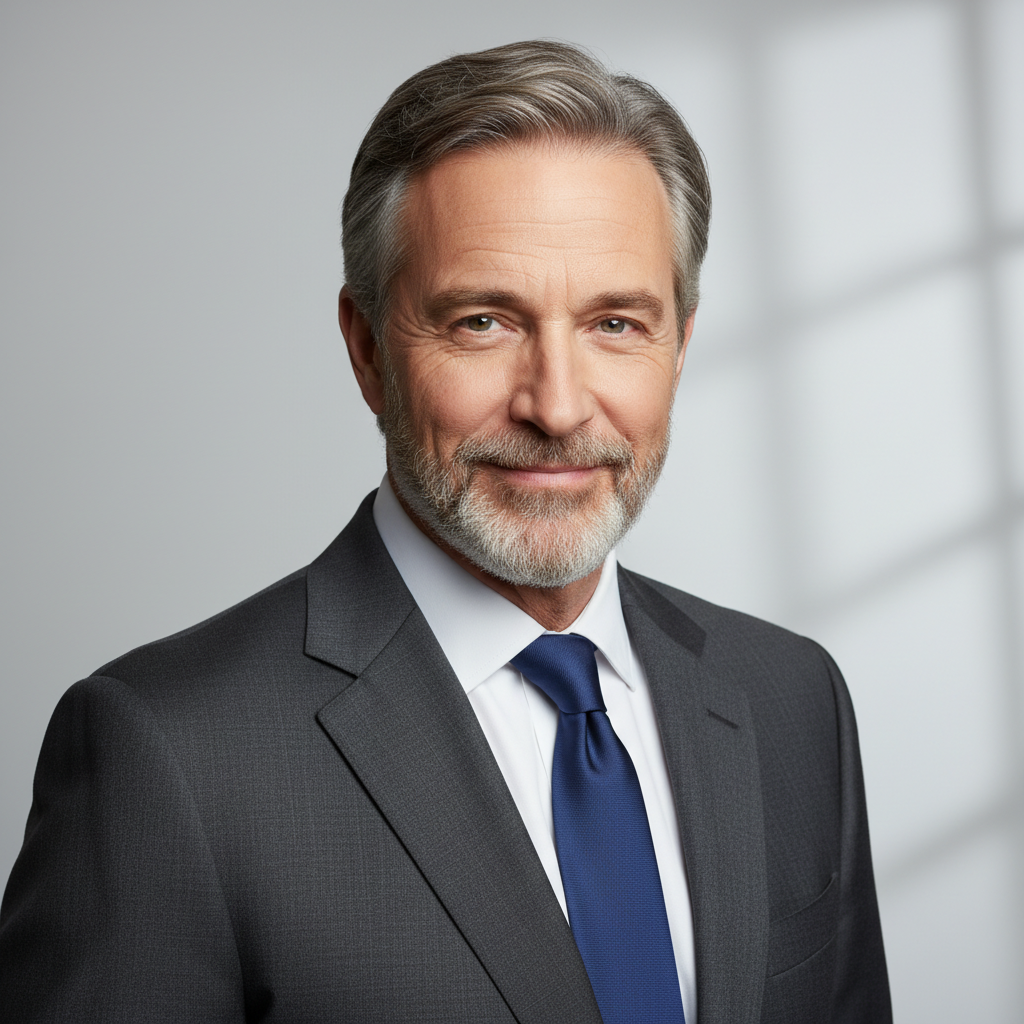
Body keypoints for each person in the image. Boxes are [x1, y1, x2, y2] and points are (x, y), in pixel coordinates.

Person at [0, 40, 890, 1024]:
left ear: (678, 343)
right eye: (482, 321)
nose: (556, 406)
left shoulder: (790, 699)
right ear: (368, 349)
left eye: (614, 324)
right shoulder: (168, 756)